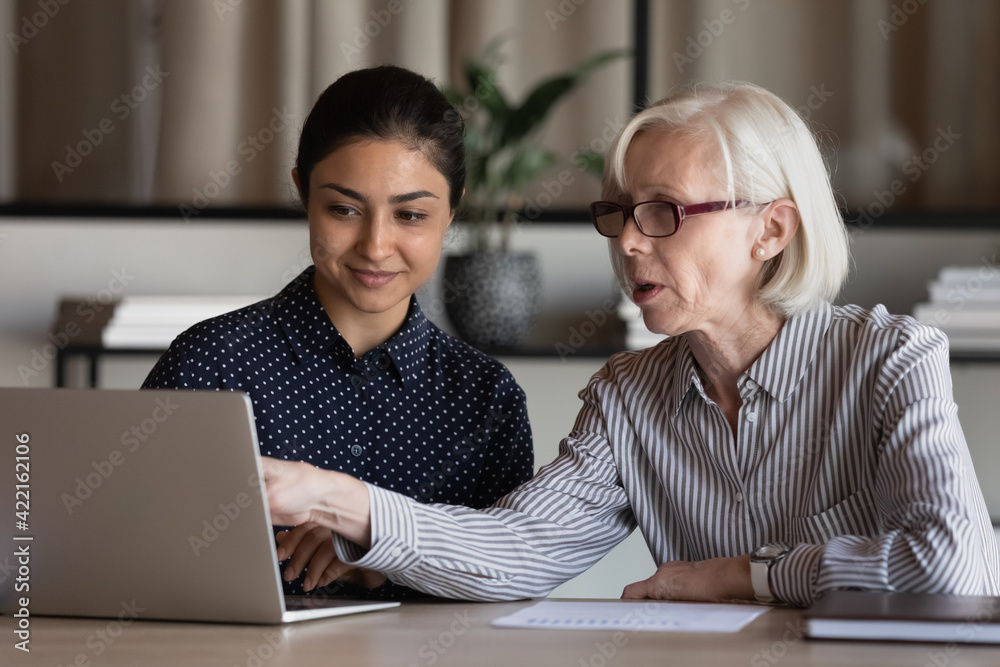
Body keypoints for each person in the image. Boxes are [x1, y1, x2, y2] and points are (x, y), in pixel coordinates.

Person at [260, 81, 1000, 607]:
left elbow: (956, 568)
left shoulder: (891, 361)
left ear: (771, 230)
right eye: (619, 213)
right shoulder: (627, 395)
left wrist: (747, 575)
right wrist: (343, 501)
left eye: (664, 213)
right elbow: (515, 549)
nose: (630, 244)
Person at [142, 65, 534, 599]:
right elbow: (138, 557)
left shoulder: (486, 399)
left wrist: (386, 560)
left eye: (411, 216)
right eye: (344, 209)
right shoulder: (209, 364)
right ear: (303, 192)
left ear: (452, 209)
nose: (375, 246)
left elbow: (510, 581)